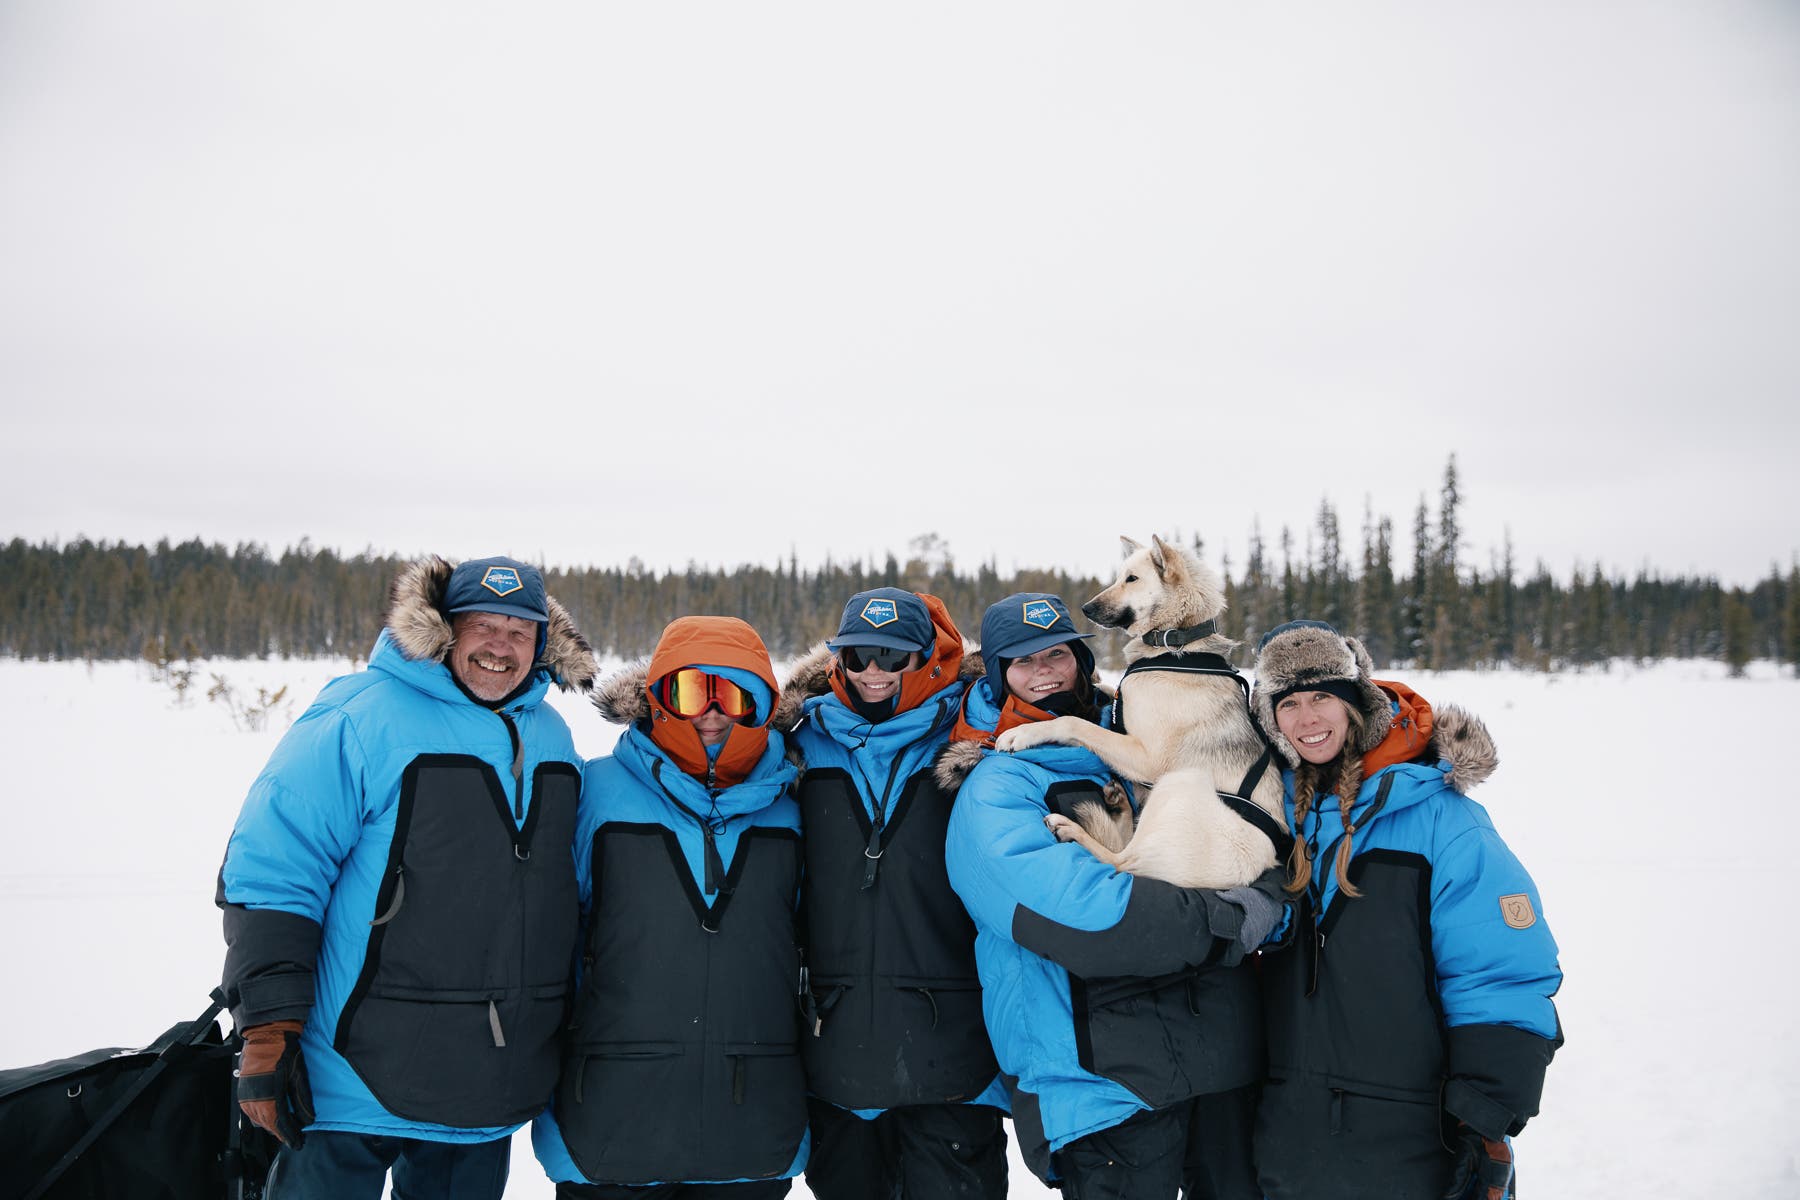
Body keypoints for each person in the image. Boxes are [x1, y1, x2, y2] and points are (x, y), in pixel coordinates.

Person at [217, 555, 597, 1200]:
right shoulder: (359, 716)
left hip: (484, 1085)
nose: (499, 647)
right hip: (349, 1081)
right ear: (443, 629)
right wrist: (268, 1027)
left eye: (519, 631)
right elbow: (274, 874)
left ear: (542, 645)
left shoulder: (553, 738)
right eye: (482, 625)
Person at [943, 592, 1286, 1200]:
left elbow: (1241, 825)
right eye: (1022, 662)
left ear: (1081, 659)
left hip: (1221, 1064)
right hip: (1103, 1083)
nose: (1044, 670)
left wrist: (1266, 885)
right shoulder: (994, 786)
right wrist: (1240, 916)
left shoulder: (1144, 740)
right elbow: (1094, 921)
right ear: (998, 675)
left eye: (1057, 653)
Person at [1247, 620, 1563, 1200]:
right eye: (1288, 703)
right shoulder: (1268, 822)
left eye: (1323, 696)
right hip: (1283, 1136)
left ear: (1356, 703)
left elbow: (1499, 967)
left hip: (1416, 1137)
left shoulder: (1441, 817)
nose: (1307, 719)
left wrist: (1483, 1117)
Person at [532, 615, 808, 1198]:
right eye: (687, 693)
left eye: (731, 695)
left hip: (752, 1127)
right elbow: (542, 937)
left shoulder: (794, 808)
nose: (709, 714)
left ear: (761, 706)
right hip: (608, 1121)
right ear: (656, 700)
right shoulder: (595, 792)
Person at [782, 586, 1009, 1200]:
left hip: (956, 1059)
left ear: (924, 658)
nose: (873, 671)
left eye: (891, 654)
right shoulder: (798, 748)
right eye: (857, 656)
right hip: (837, 1056)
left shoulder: (975, 738)